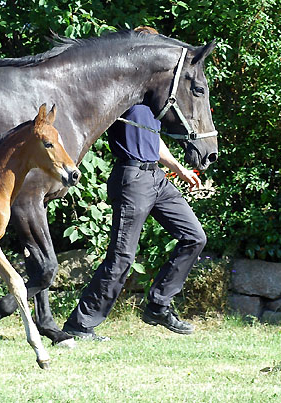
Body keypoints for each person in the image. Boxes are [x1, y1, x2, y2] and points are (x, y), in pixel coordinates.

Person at [62, 103, 206, 340]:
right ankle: (80, 323)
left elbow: (154, 140)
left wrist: (179, 169)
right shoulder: (124, 97)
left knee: (195, 237)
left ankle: (158, 306)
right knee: (122, 256)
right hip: (132, 178)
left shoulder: (154, 103)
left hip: (156, 177)